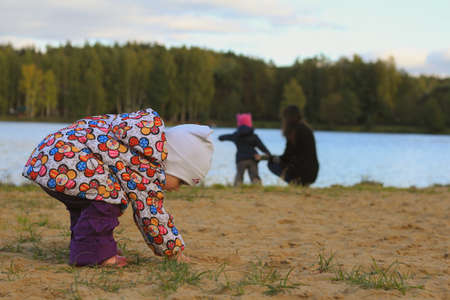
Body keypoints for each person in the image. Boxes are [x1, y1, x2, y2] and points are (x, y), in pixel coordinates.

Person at [22, 108, 214, 267]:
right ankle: (95, 255)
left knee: (89, 203)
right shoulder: (148, 167)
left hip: (47, 159)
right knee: (108, 199)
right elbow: (152, 216)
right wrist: (173, 251)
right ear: (171, 163)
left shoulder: (137, 135)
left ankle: (89, 246)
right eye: (181, 181)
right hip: (68, 165)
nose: (178, 188)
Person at [262, 105, 318, 186]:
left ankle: (295, 182)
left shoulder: (293, 132)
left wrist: (270, 158)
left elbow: (287, 156)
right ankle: (300, 183)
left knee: (271, 164)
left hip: (299, 172)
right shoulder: (306, 129)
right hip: (312, 173)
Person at [218, 113, 270, 186]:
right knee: (255, 176)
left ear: (239, 123)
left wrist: (221, 138)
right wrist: (268, 154)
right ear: (250, 123)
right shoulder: (254, 136)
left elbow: (222, 137)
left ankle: (236, 190)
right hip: (253, 159)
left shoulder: (236, 135)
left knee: (239, 176)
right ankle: (258, 190)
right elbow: (262, 147)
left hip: (240, 159)